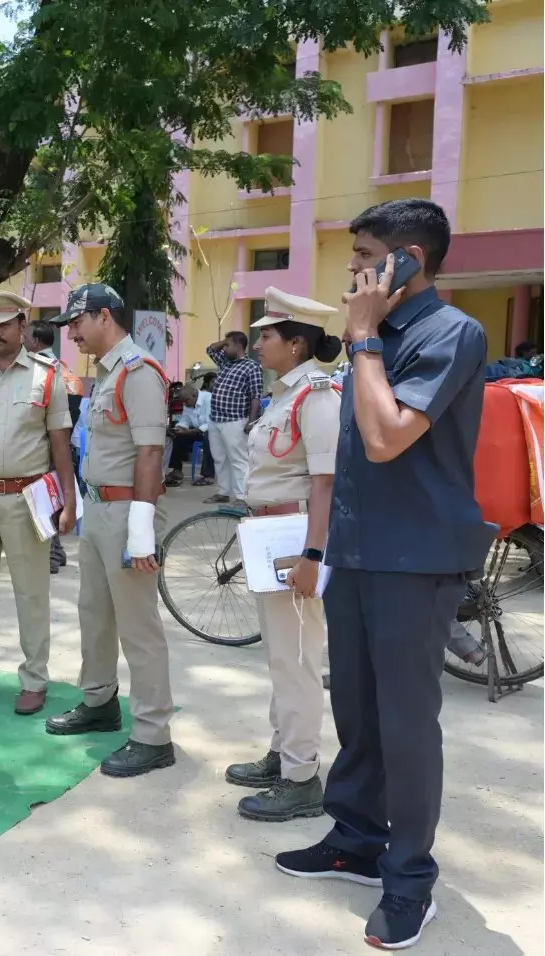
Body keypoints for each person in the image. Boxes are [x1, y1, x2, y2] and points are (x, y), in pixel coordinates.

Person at [275, 199, 495, 950]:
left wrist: (364, 338)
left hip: (416, 558)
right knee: (359, 712)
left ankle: (409, 879)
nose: (353, 270)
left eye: (366, 255)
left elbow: (385, 438)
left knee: (405, 724)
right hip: (359, 551)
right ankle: (358, 839)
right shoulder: (378, 336)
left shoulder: (450, 333)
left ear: (409, 260)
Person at [224, 287, 343, 823]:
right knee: (281, 656)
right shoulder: (284, 394)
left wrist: (312, 555)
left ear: (296, 344)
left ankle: (301, 778)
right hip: (272, 535)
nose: (257, 343)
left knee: (296, 662)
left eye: (267, 335)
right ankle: (283, 753)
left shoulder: (316, 396)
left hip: (296, 539)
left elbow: (325, 482)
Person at [47, 283, 175, 778]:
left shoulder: (139, 372)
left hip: (127, 512)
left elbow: (150, 452)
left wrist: (141, 527)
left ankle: (153, 734)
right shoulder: (108, 373)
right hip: (101, 509)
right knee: (94, 613)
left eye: (77, 323)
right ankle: (99, 701)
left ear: (104, 317)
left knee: (138, 626)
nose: (72, 334)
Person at [0, 291, 75, 716]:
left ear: (22, 326)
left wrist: (68, 502)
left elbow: (60, 444)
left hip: (28, 498)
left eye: (4, 325)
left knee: (32, 594)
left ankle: (34, 679)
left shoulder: (47, 377)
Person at [204, 331, 263, 505]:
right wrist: (225, 341)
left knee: (238, 459)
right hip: (216, 419)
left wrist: (251, 421)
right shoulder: (225, 362)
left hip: (235, 420)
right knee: (219, 458)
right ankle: (223, 492)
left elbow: (256, 396)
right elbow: (210, 350)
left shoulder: (252, 366)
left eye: (228, 345)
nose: (224, 348)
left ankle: (242, 496)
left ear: (238, 346)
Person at [164, 385, 214, 486]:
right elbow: (185, 419)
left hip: (211, 431)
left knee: (208, 436)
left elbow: (211, 423)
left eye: (186, 401)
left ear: (194, 395)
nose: (185, 404)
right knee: (178, 436)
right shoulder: (188, 403)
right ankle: (177, 471)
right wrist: (180, 428)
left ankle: (208, 476)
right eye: (183, 402)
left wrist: (193, 431)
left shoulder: (209, 399)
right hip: (197, 431)